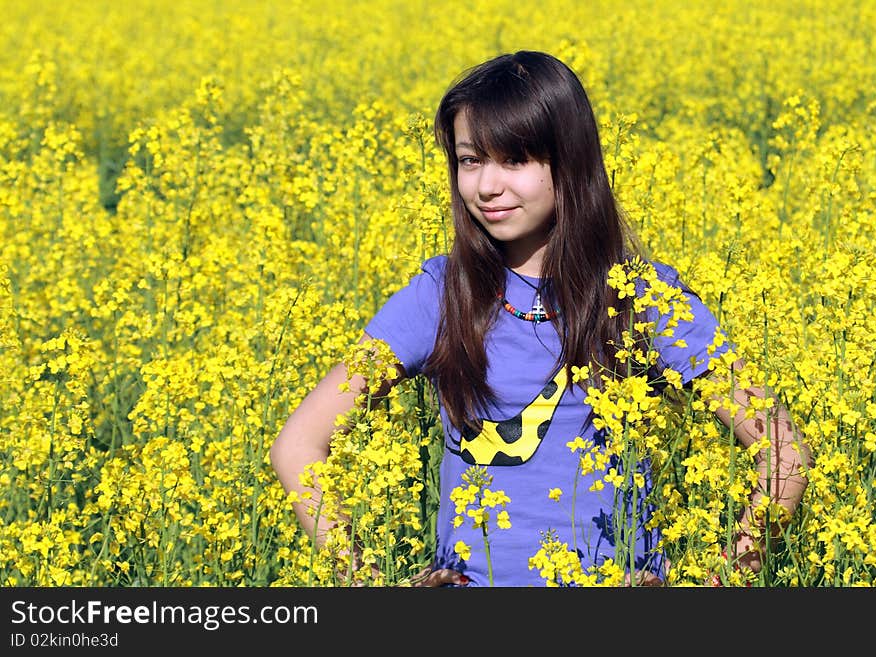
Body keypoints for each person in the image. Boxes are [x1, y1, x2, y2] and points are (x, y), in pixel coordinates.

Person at [270, 50, 812, 587]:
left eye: (514, 160)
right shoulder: (439, 295)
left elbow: (783, 452)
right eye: (469, 160)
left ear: (569, 162)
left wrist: (723, 581)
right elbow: (298, 447)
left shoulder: (643, 297)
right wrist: (364, 583)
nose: (486, 186)